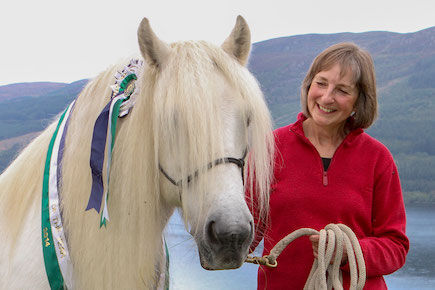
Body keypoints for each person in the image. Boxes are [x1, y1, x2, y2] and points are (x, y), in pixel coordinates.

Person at [248, 42, 409, 289]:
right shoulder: (269, 148)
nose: (326, 97)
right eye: (321, 83)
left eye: (342, 90)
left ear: (359, 101)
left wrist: (347, 252)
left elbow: (396, 247)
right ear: (308, 85)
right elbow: (243, 232)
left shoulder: (378, 158)